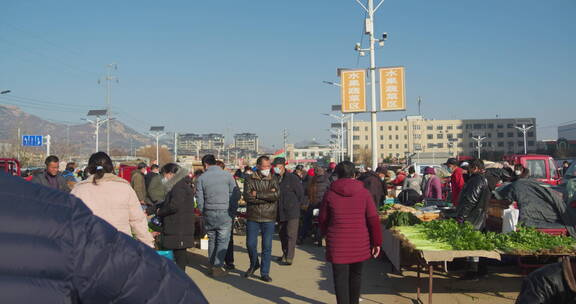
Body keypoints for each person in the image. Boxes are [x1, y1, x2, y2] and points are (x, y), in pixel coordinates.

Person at [0, 172, 208, 304]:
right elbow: (166, 289)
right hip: (111, 252)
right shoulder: (56, 213)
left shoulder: (77, 193)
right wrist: (147, 242)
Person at [319, 161, 383, 304]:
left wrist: (325, 234)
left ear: (337, 175)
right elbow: (373, 219)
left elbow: (322, 218)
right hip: (359, 243)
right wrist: (376, 242)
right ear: (354, 175)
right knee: (356, 276)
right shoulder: (364, 193)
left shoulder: (330, 194)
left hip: (337, 243)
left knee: (340, 279)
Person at [70, 152, 154, 248]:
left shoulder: (79, 190)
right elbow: (137, 220)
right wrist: (148, 243)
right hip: (121, 246)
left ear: (89, 169)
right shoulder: (124, 188)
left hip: (91, 248)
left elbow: (71, 223)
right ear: (111, 167)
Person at [195, 155, 238, 277]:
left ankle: (212, 263)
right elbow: (235, 194)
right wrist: (232, 210)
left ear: (205, 164)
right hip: (225, 212)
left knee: (212, 239)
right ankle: (217, 267)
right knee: (223, 240)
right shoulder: (228, 176)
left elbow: (200, 198)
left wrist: (204, 211)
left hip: (209, 212)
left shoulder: (201, 178)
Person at [243, 155, 280, 282]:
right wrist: (267, 196)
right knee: (250, 244)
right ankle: (254, 263)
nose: (267, 169)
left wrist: (257, 194)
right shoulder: (249, 178)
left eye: (269, 166)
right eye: (265, 166)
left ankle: (265, 272)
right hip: (253, 216)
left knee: (267, 246)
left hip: (269, 216)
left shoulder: (274, 178)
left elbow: (275, 195)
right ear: (258, 166)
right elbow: (248, 197)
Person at [455, 159, 491, 280]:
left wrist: (461, 216)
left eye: (469, 167)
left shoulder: (476, 180)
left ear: (475, 168)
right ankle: (482, 270)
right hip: (479, 216)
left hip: (474, 217)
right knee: (478, 244)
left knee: (472, 245)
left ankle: (472, 272)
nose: (468, 170)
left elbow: (471, 200)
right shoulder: (482, 179)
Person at [155, 163, 195, 271]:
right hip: (178, 227)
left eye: (164, 175)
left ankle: (181, 284)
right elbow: (168, 203)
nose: (164, 178)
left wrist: (160, 212)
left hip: (179, 228)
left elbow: (174, 206)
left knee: (179, 260)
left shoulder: (179, 187)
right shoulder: (177, 185)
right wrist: (153, 209)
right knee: (178, 259)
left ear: (171, 174)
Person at [273, 157, 305, 266]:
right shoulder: (274, 178)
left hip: (292, 211)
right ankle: (285, 253)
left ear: (282, 166)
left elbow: (300, 194)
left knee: (291, 234)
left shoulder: (292, 178)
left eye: (277, 166)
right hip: (279, 211)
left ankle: (290, 257)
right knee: (282, 234)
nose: (275, 168)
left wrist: (296, 206)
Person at [299, 166, 331, 244]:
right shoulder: (327, 181)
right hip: (323, 205)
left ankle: (301, 237)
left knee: (306, 220)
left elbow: (306, 193)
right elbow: (330, 191)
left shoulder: (311, 181)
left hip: (312, 204)